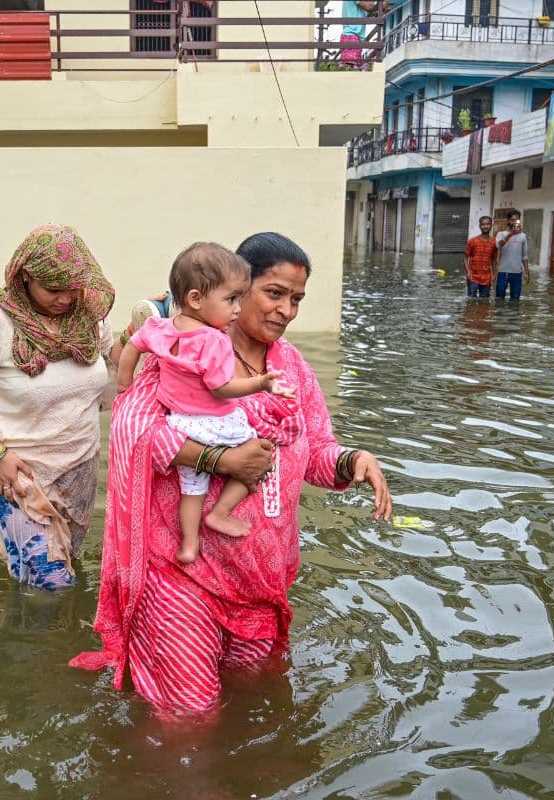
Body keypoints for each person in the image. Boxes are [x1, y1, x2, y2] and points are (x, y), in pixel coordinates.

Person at [71, 232, 393, 714]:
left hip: (259, 578)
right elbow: (132, 430)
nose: (286, 310)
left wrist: (353, 461)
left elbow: (315, 451)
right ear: (239, 294)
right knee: (190, 713)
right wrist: (219, 461)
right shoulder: (186, 353)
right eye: (275, 293)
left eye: (297, 299)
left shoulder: (294, 368)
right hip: (183, 571)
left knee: (252, 701)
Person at [0, 224, 115, 590]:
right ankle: (42, 643)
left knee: (53, 572)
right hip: (15, 470)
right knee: (53, 581)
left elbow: (110, 373)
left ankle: (36, 641)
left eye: (73, 289)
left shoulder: (92, 319)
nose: (66, 300)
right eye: (54, 290)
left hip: (79, 466)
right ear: (25, 277)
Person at [117, 242, 296, 564]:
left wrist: (124, 385)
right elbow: (221, 388)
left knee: (191, 489)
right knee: (263, 455)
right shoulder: (214, 341)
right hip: (217, 422)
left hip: (180, 424)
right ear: (196, 299)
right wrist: (261, 383)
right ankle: (221, 513)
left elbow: (131, 347)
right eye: (231, 300)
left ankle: (188, 544)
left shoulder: (160, 328)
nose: (237, 309)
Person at [494, 211, 531, 300]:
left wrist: (527, 272)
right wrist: (511, 234)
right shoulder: (501, 234)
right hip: (503, 272)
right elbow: (499, 245)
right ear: (508, 221)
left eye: (517, 220)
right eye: (512, 220)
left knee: (515, 300)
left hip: (517, 273)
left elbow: (524, 256)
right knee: (499, 299)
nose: (514, 222)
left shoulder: (523, 236)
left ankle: (514, 314)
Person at [463, 215, 498, 298]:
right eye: (483, 224)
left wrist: (494, 275)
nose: (485, 226)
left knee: (484, 303)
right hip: (473, 277)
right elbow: (465, 257)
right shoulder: (472, 241)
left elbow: (493, 259)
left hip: (487, 278)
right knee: (471, 302)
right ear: (480, 226)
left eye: (488, 224)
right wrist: (468, 272)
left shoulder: (494, 242)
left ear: (491, 226)